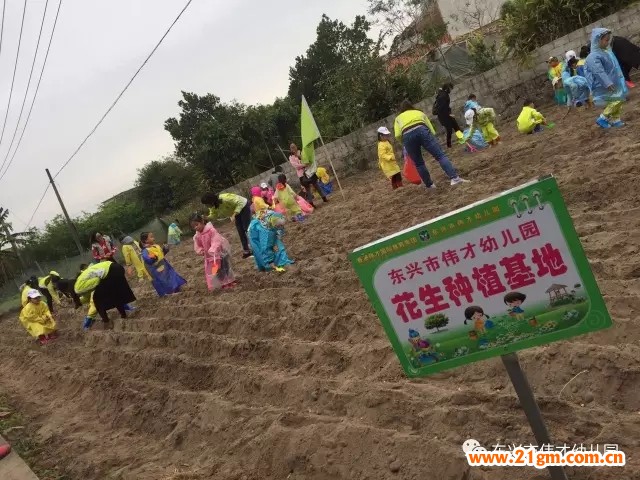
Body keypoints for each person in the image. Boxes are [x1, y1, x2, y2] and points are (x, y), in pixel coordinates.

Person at [394, 100, 467, 189]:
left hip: (407, 135)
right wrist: (432, 137)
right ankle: (454, 178)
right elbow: (430, 128)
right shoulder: (419, 112)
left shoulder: (398, 119)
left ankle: (430, 185)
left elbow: (397, 135)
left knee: (419, 163)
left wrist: (404, 143)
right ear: (411, 106)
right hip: (422, 130)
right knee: (440, 156)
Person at [585, 28, 628, 129]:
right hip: (603, 84)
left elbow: (614, 66)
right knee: (616, 100)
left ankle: (616, 120)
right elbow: (598, 71)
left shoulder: (605, 52)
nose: (607, 42)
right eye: (606, 40)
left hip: (612, 82)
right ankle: (602, 118)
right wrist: (607, 82)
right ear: (597, 40)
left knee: (619, 99)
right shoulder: (593, 56)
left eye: (608, 40)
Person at [74, 261, 136, 328]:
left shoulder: (78, 287)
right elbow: (87, 294)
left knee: (98, 300)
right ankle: (123, 314)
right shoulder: (83, 276)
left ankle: (107, 321)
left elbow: (96, 281)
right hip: (116, 267)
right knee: (115, 295)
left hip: (111, 272)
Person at [191, 213, 236, 291]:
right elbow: (197, 245)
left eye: (196, 224)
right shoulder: (197, 236)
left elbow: (216, 240)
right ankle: (222, 284)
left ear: (202, 221)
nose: (196, 227)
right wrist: (201, 251)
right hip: (209, 257)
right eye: (193, 226)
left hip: (219, 254)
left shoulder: (211, 230)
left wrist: (213, 249)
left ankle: (230, 281)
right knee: (215, 271)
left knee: (225, 267)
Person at [201, 192, 252, 259]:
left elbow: (240, 202)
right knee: (240, 230)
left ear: (211, 201)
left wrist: (234, 214)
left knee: (246, 228)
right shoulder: (213, 207)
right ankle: (247, 250)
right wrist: (207, 217)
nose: (206, 206)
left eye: (207, 204)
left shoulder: (225, 198)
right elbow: (214, 215)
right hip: (236, 212)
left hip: (243, 206)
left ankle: (256, 245)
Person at [140, 232, 187, 297]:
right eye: (151, 237)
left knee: (171, 276)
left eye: (153, 236)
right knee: (163, 281)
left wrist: (165, 250)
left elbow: (161, 255)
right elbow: (148, 259)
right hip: (156, 270)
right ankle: (169, 293)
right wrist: (153, 258)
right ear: (146, 240)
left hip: (164, 266)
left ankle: (175, 288)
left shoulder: (156, 246)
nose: (153, 238)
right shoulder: (145, 251)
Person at [434, 83, 463, 148]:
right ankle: (449, 145)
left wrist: (449, 113)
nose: (451, 90)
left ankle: (461, 138)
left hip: (445, 115)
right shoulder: (443, 96)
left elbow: (445, 107)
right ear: (447, 88)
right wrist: (449, 114)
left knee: (455, 127)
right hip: (444, 116)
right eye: (450, 89)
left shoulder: (442, 94)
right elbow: (442, 108)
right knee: (450, 129)